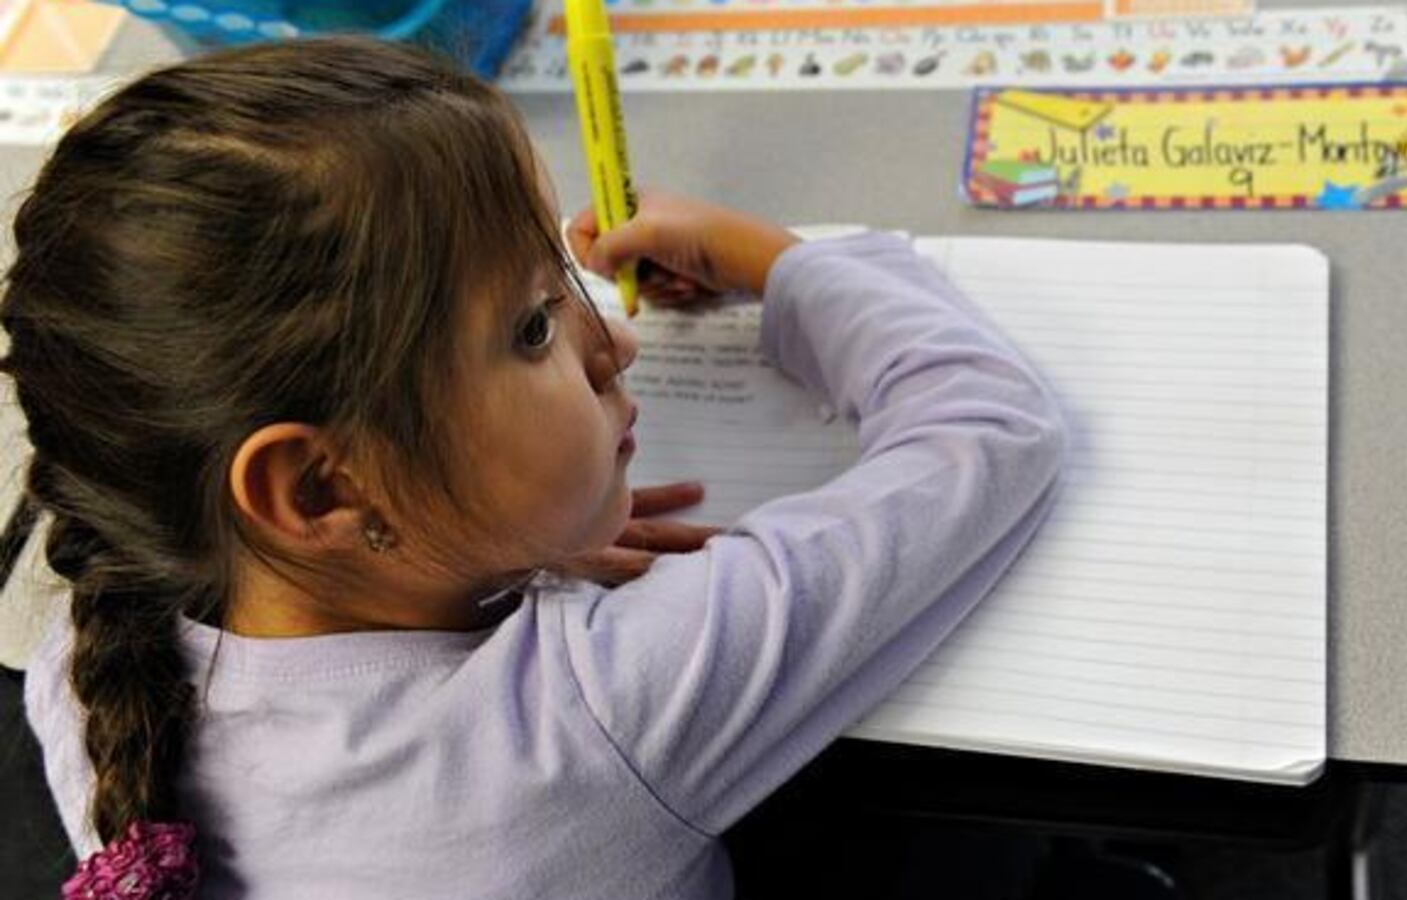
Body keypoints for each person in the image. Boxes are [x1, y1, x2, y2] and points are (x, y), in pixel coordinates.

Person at [6, 37, 1066, 899]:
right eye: (532, 327)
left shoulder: (88, 672)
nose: (615, 342)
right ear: (324, 490)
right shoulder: (588, 720)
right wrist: (769, 257)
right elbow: (989, 431)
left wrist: (487, 555)